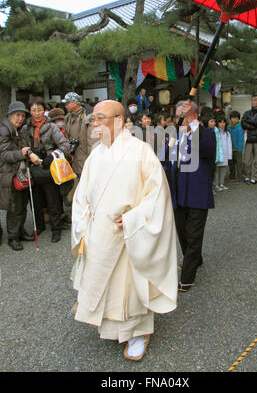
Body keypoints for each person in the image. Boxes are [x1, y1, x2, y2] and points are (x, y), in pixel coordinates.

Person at [70, 100, 177, 361]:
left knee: (128, 288)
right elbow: (82, 194)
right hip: (99, 233)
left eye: (99, 118)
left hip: (127, 234)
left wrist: (135, 217)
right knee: (108, 287)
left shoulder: (140, 151)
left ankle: (138, 332)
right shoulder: (97, 153)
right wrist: (84, 219)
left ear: (118, 120)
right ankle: (113, 328)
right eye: (92, 119)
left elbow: (157, 196)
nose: (93, 123)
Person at [163, 100, 216, 292]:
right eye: (177, 117)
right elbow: (165, 162)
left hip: (197, 193)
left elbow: (206, 150)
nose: (179, 120)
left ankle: (187, 277)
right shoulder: (174, 137)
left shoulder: (207, 134)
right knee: (183, 233)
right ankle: (194, 259)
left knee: (194, 235)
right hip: (178, 193)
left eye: (183, 116)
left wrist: (193, 123)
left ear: (193, 116)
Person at [22, 97, 70, 243]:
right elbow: (23, 147)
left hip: (49, 167)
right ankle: (40, 225)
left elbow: (65, 145)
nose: (37, 113)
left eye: (40, 110)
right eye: (34, 110)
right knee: (35, 200)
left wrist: (53, 155)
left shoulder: (51, 127)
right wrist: (30, 154)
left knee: (53, 200)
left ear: (45, 110)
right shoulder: (25, 128)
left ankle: (56, 229)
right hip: (33, 167)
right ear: (30, 111)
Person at [0, 101, 34, 251]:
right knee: (14, 206)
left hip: (20, 173)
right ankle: (13, 237)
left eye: (22, 115)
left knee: (22, 204)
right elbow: (4, 154)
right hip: (9, 174)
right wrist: (20, 154)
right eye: (17, 115)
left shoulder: (19, 130)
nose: (20, 118)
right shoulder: (4, 130)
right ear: (10, 115)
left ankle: (20, 231)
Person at [214, 116, 232, 191]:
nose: (222, 124)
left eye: (224, 122)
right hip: (217, 154)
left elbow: (229, 145)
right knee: (216, 170)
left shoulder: (227, 133)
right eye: (220, 122)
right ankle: (216, 184)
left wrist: (229, 155)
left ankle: (221, 183)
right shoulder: (215, 132)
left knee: (223, 169)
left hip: (225, 154)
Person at [227, 111, 244, 183]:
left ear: (239, 119)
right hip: (230, 148)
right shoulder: (228, 127)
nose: (234, 120)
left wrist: (239, 149)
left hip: (237, 149)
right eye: (233, 118)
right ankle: (232, 176)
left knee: (239, 164)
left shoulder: (239, 127)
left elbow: (240, 140)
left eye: (236, 118)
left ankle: (240, 178)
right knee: (231, 163)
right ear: (230, 118)